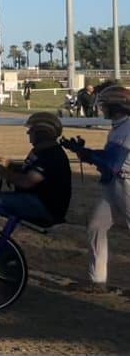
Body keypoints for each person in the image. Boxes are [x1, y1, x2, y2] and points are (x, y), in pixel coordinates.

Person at [61, 85, 130, 294]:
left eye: (106, 105)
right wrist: (83, 151)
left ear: (116, 106)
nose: (103, 109)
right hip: (114, 184)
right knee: (96, 226)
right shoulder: (120, 126)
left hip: (126, 184)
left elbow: (112, 163)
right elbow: (108, 160)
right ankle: (97, 280)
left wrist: (87, 154)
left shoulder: (127, 128)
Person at [0, 111, 71, 228]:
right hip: (37, 200)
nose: (28, 132)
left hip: (45, 207)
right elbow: (29, 170)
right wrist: (9, 164)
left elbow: (27, 182)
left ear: (42, 132)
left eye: (31, 130)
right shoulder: (41, 150)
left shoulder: (51, 155)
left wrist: (4, 172)